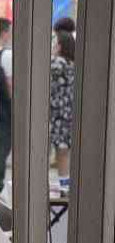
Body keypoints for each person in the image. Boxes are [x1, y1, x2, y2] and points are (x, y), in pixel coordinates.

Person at [49, 31, 75, 177]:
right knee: (63, 153)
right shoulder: (72, 64)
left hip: (57, 116)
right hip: (68, 114)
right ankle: (65, 184)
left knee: (60, 153)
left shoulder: (58, 63)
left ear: (60, 46)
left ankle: (64, 185)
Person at [0, 18, 13, 194]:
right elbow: (10, 83)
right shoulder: (6, 55)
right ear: (5, 32)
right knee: (3, 143)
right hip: (5, 108)